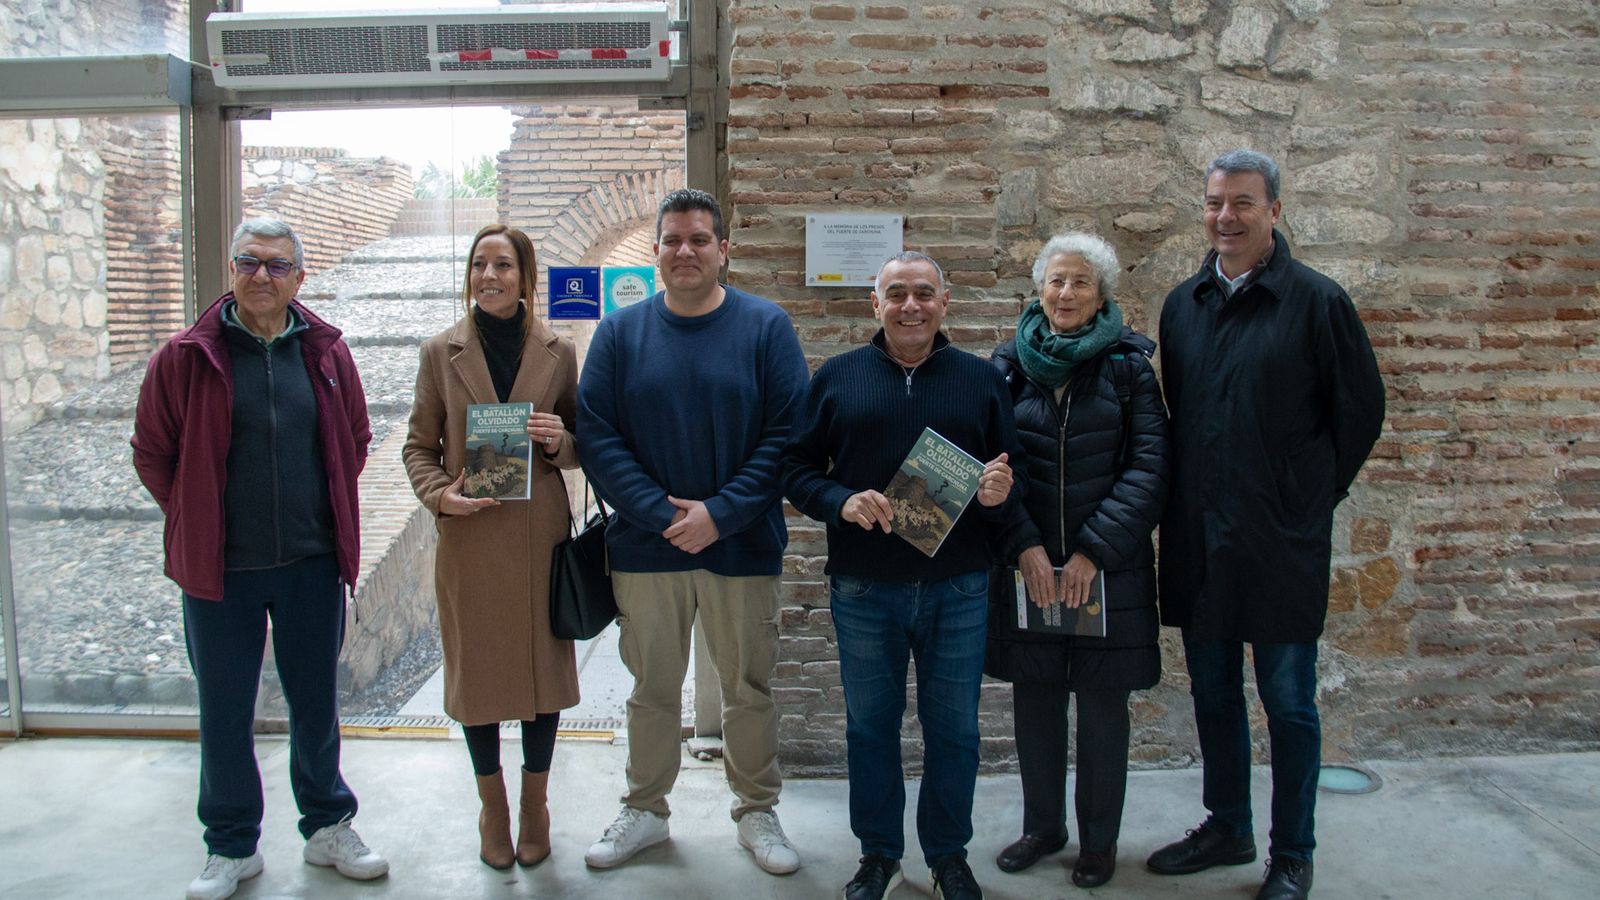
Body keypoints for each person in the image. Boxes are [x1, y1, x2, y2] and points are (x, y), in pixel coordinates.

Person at [1146, 149, 1385, 900]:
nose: (1226, 217)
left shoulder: (1316, 302)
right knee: (1212, 693)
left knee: (1287, 702)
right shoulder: (1183, 305)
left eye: (1243, 203)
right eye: (1216, 202)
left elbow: (1360, 413)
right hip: (1200, 538)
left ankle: (1293, 851)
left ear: (1274, 211)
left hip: (1281, 542)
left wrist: (1307, 502)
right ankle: (1227, 826)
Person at [131, 218, 388, 900]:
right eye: (249, 262)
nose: (261, 276)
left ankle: (328, 824)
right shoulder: (186, 358)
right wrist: (193, 515)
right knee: (224, 710)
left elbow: (355, 439)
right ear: (233, 270)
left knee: (314, 706)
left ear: (300, 277)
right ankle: (231, 846)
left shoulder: (328, 355)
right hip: (220, 572)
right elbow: (152, 453)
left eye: (277, 266)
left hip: (310, 564)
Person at [576, 188, 810, 875]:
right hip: (647, 549)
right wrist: (662, 513)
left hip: (742, 544)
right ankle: (645, 809)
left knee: (747, 687)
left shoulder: (766, 327)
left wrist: (720, 514)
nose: (686, 251)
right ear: (654, 252)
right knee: (651, 688)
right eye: (673, 240)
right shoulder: (621, 334)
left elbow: (787, 435)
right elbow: (598, 434)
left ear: (723, 251)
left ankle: (756, 810)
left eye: (700, 240)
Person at [782, 251, 1026, 900]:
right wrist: (840, 500)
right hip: (864, 588)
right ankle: (879, 856)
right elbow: (796, 470)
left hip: (960, 587)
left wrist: (1002, 490)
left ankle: (948, 858)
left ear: (946, 302)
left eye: (923, 293)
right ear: (875, 303)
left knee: (956, 731)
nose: (910, 305)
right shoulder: (836, 378)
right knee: (870, 729)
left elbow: (1013, 473)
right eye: (896, 293)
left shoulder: (981, 382)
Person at [986, 233, 1169, 889]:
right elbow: (992, 468)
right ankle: (1043, 827)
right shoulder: (1005, 368)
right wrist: (1026, 546)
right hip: (1030, 567)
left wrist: (1094, 549)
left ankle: (1097, 841)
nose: (1066, 294)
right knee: (1035, 702)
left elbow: (1150, 469)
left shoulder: (1127, 369)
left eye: (1081, 283)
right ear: (1038, 290)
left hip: (1107, 572)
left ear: (1102, 296)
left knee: (1099, 711)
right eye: (1056, 281)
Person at [402, 224, 581, 870]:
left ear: (525, 276)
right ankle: (493, 807)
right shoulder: (437, 352)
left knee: (543, 674)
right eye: (479, 264)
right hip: (470, 535)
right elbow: (418, 448)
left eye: (503, 264)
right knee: (476, 676)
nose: (489, 276)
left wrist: (559, 438)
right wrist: (439, 495)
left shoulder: (558, 351)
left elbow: (580, 442)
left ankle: (535, 804)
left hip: (538, 534)